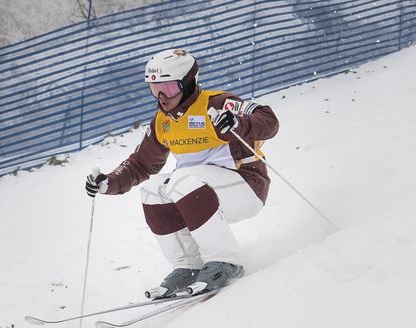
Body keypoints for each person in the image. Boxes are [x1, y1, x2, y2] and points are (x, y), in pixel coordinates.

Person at [85, 49, 279, 297]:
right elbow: (142, 164)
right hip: (199, 194)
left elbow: (269, 119)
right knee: (153, 190)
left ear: (188, 83)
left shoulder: (216, 104)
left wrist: (238, 123)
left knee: (178, 181)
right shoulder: (162, 122)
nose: (162, 97)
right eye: (155, 89)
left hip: (246, 185)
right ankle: (188, 266)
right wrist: (108, 182)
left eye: (168, 87)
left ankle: (226, 260)